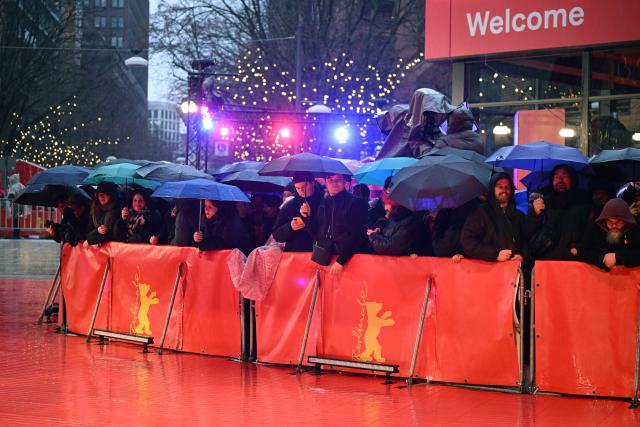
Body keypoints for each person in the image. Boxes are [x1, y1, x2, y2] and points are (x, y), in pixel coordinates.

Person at [525, 164, 590, 260]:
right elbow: (528, 234)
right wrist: (535, 214)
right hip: (545, 263)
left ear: (572, 179)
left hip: (574, 263)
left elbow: (590, 235)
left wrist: (579, 249)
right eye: (556, 176)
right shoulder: (543, 203)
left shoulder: (583, 204)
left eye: (564, 176)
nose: (560, 179)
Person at [461, 172, 527, 263]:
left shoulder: (519, 215)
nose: (504, 190)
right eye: (500, 186)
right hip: (488, 270)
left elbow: (527, 241)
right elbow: (468, 241)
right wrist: (494, 254)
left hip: (513, 270)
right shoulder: (481, 213)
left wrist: (522, 256)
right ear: (493, 189)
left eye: (507, 187)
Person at [310, 173, 369, 274]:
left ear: (344, 181)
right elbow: (317, 230)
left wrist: (341, 260)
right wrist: (307, 217)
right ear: (325, 182)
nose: (334, 183)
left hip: (347, 260)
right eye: (330, 179)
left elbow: (358, 234)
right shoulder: (323, 203)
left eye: (338, 180)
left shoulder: (356, 203)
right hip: (325, 258)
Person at [573, 198, 640, 271]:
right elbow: (582, 251)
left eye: (619, 222)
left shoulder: (635, 229)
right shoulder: (594, 228)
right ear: (604, 220)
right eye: (610, 222)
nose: (614, 226)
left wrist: (619, 257)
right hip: (599, 277)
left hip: (629, 279)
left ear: (626, 222)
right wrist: (601, 259)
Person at [272, 172, 324, 252]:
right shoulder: (289, 205)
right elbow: (276, 235)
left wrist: (309, 218)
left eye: (304, 187)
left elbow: (326, 234)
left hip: (317, 255)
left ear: (312, 183)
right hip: (294, 254)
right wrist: (290, 227)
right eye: (298, 188)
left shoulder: (324, 203)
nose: (302, 191)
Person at [431, 198, 481, 262]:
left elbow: (440, 250)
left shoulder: (469, 209)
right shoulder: (444, 213)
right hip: (450, 258)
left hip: (467, 260)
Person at [85, 182, 121, 246]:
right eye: (99, 194)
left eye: (105, 194)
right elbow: (87, 231)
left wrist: (91, 240)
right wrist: (97, 230)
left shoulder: (117, 211)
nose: (101, 197)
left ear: (112, 196)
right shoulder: (94, 209)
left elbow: (113, 235)